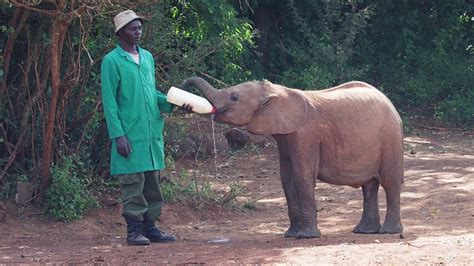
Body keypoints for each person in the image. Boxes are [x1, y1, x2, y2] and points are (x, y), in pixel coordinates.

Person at [101, 10, 192, 246]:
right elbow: (110, 102)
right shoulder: (112, 61)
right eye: (133, 29)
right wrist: (118, 135)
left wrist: (173, 103)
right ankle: (134, 231)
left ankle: (150, 228)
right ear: (121, 33)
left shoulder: (147, 58)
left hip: (151, 135)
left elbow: (151, 94)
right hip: (130, 135)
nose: (138, 32)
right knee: (133, 184)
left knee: (152, 185)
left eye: (140, 28)